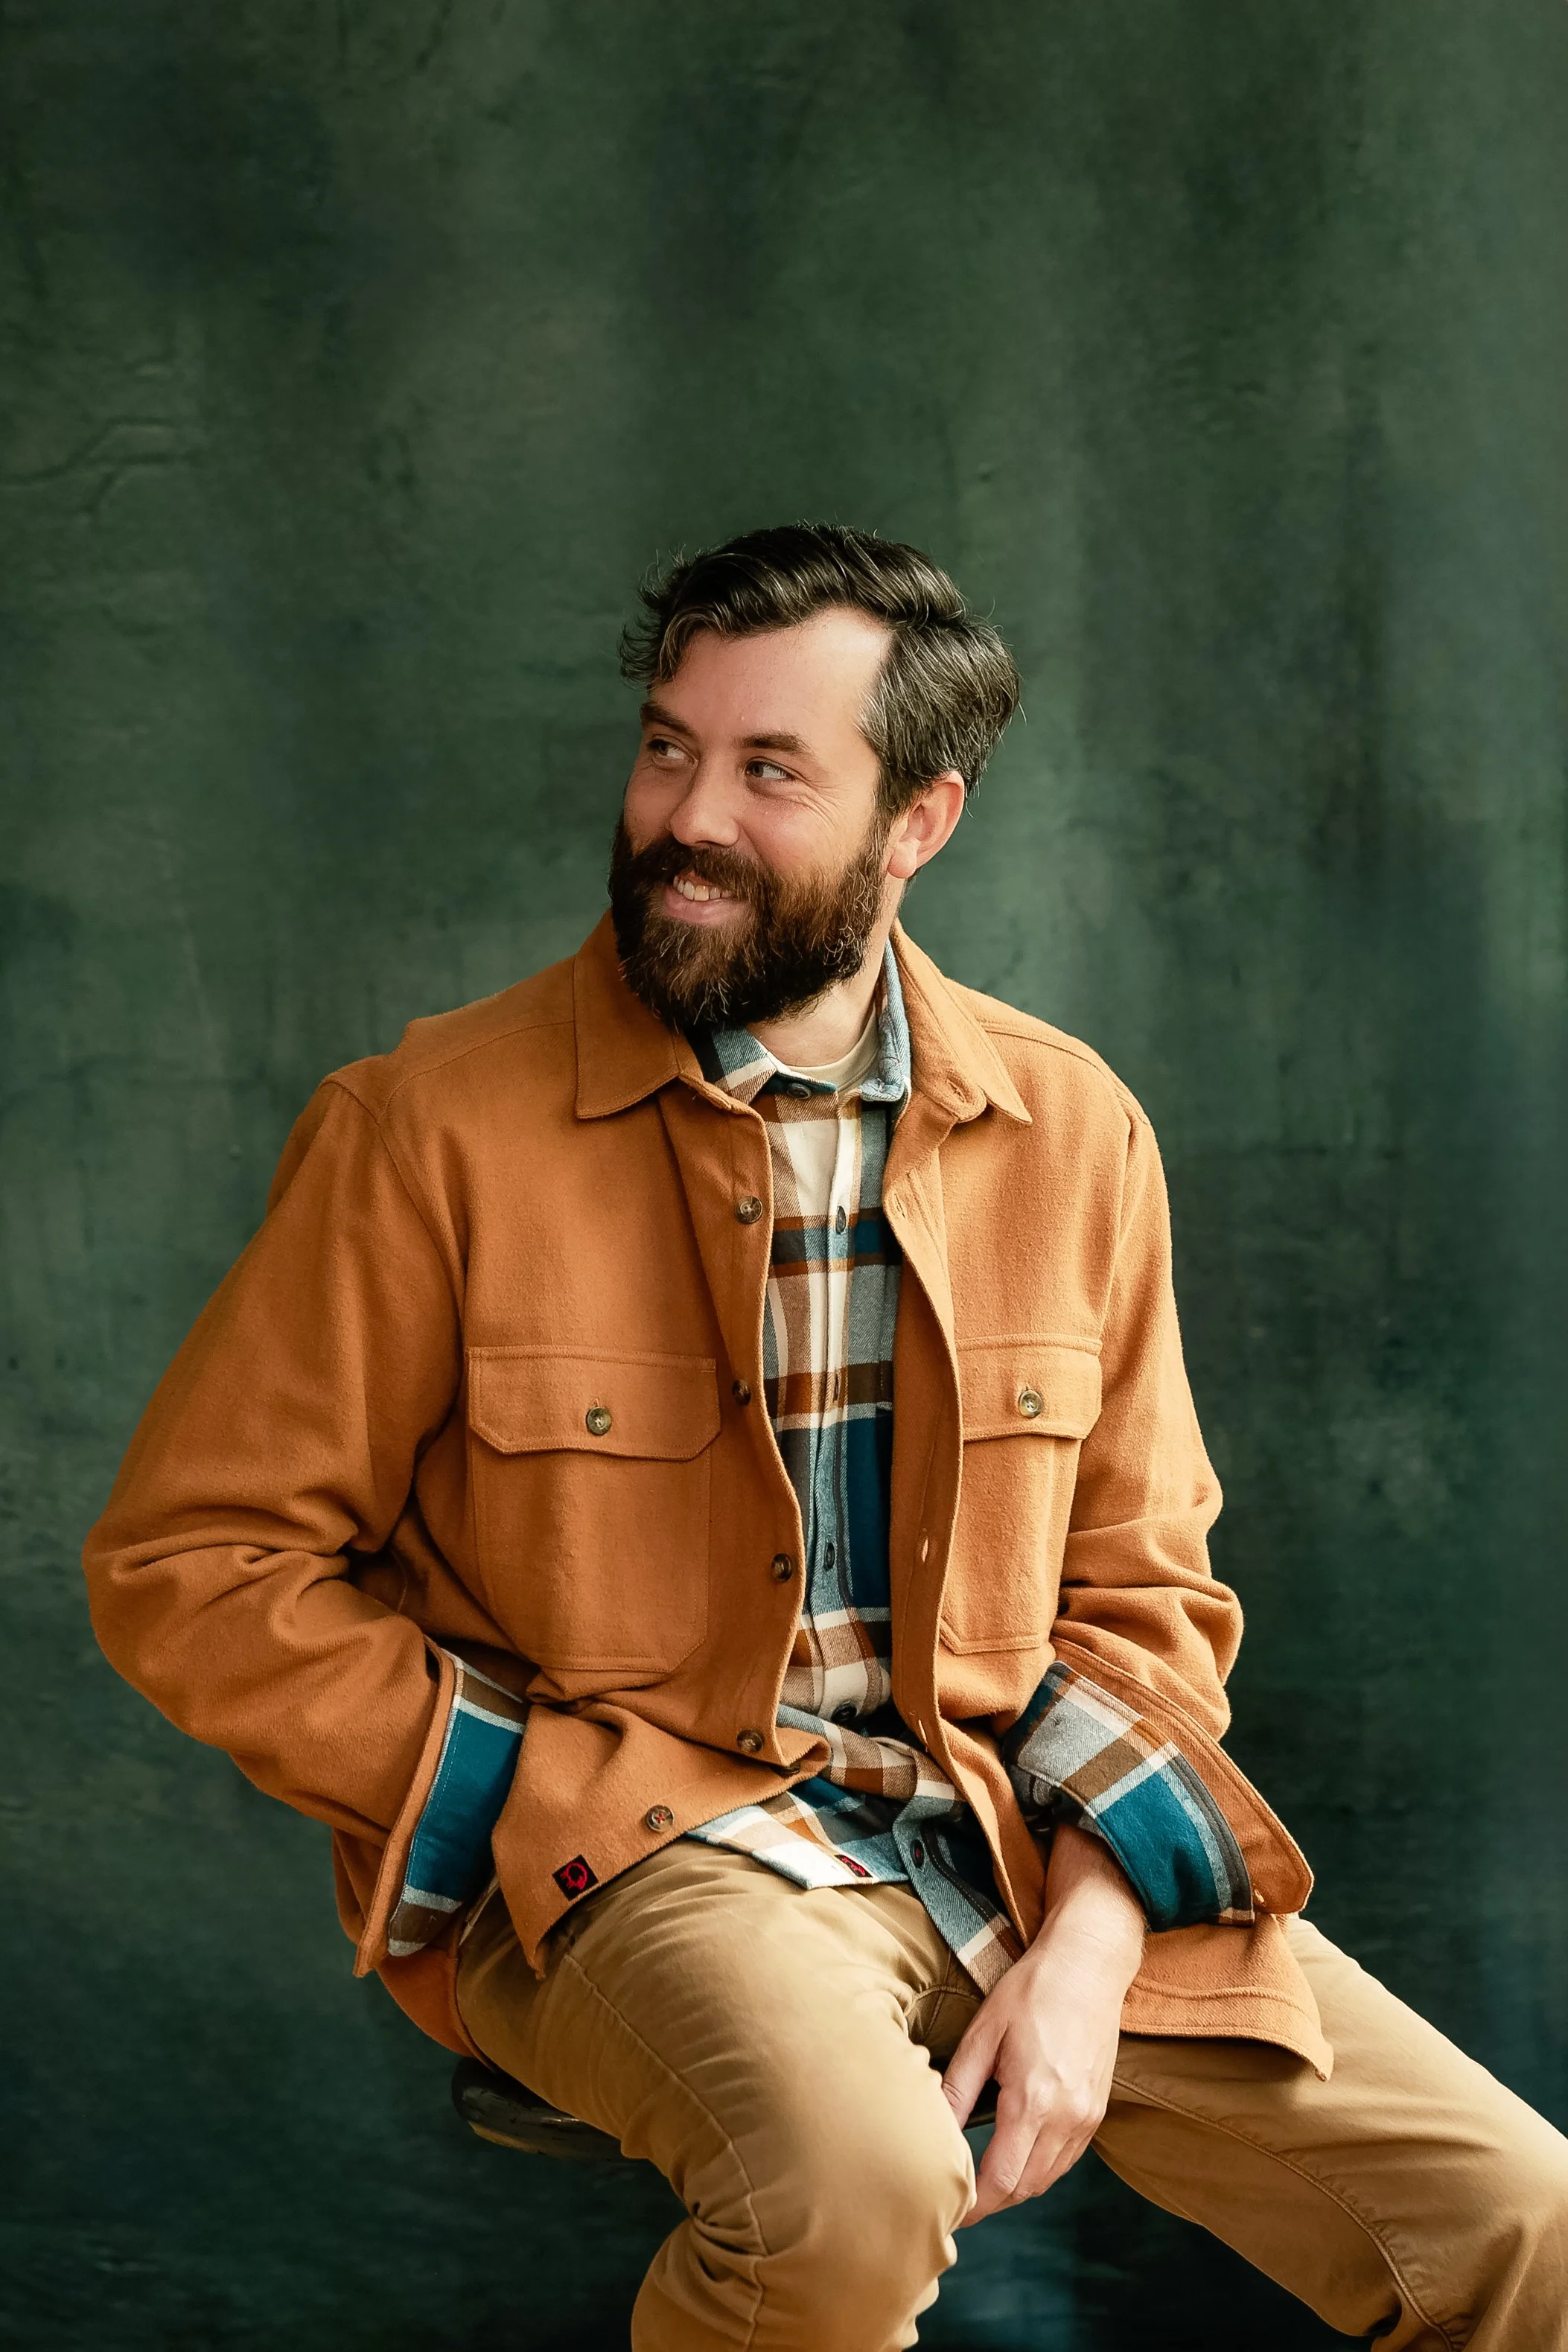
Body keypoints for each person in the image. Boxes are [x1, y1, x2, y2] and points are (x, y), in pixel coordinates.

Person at [84, 525, 1566, 2350]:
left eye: (770, 771)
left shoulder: (1074, 1132)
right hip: (640, 1852)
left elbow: (1145, 1595)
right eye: (669, 747)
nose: (686, 816)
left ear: (918, 821)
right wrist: (515, 1787)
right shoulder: (426, 1132)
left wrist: (1094, 1943)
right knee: (853, 2193)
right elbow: (194, 1568)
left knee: (1526, 2224)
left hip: (1015, 1845)